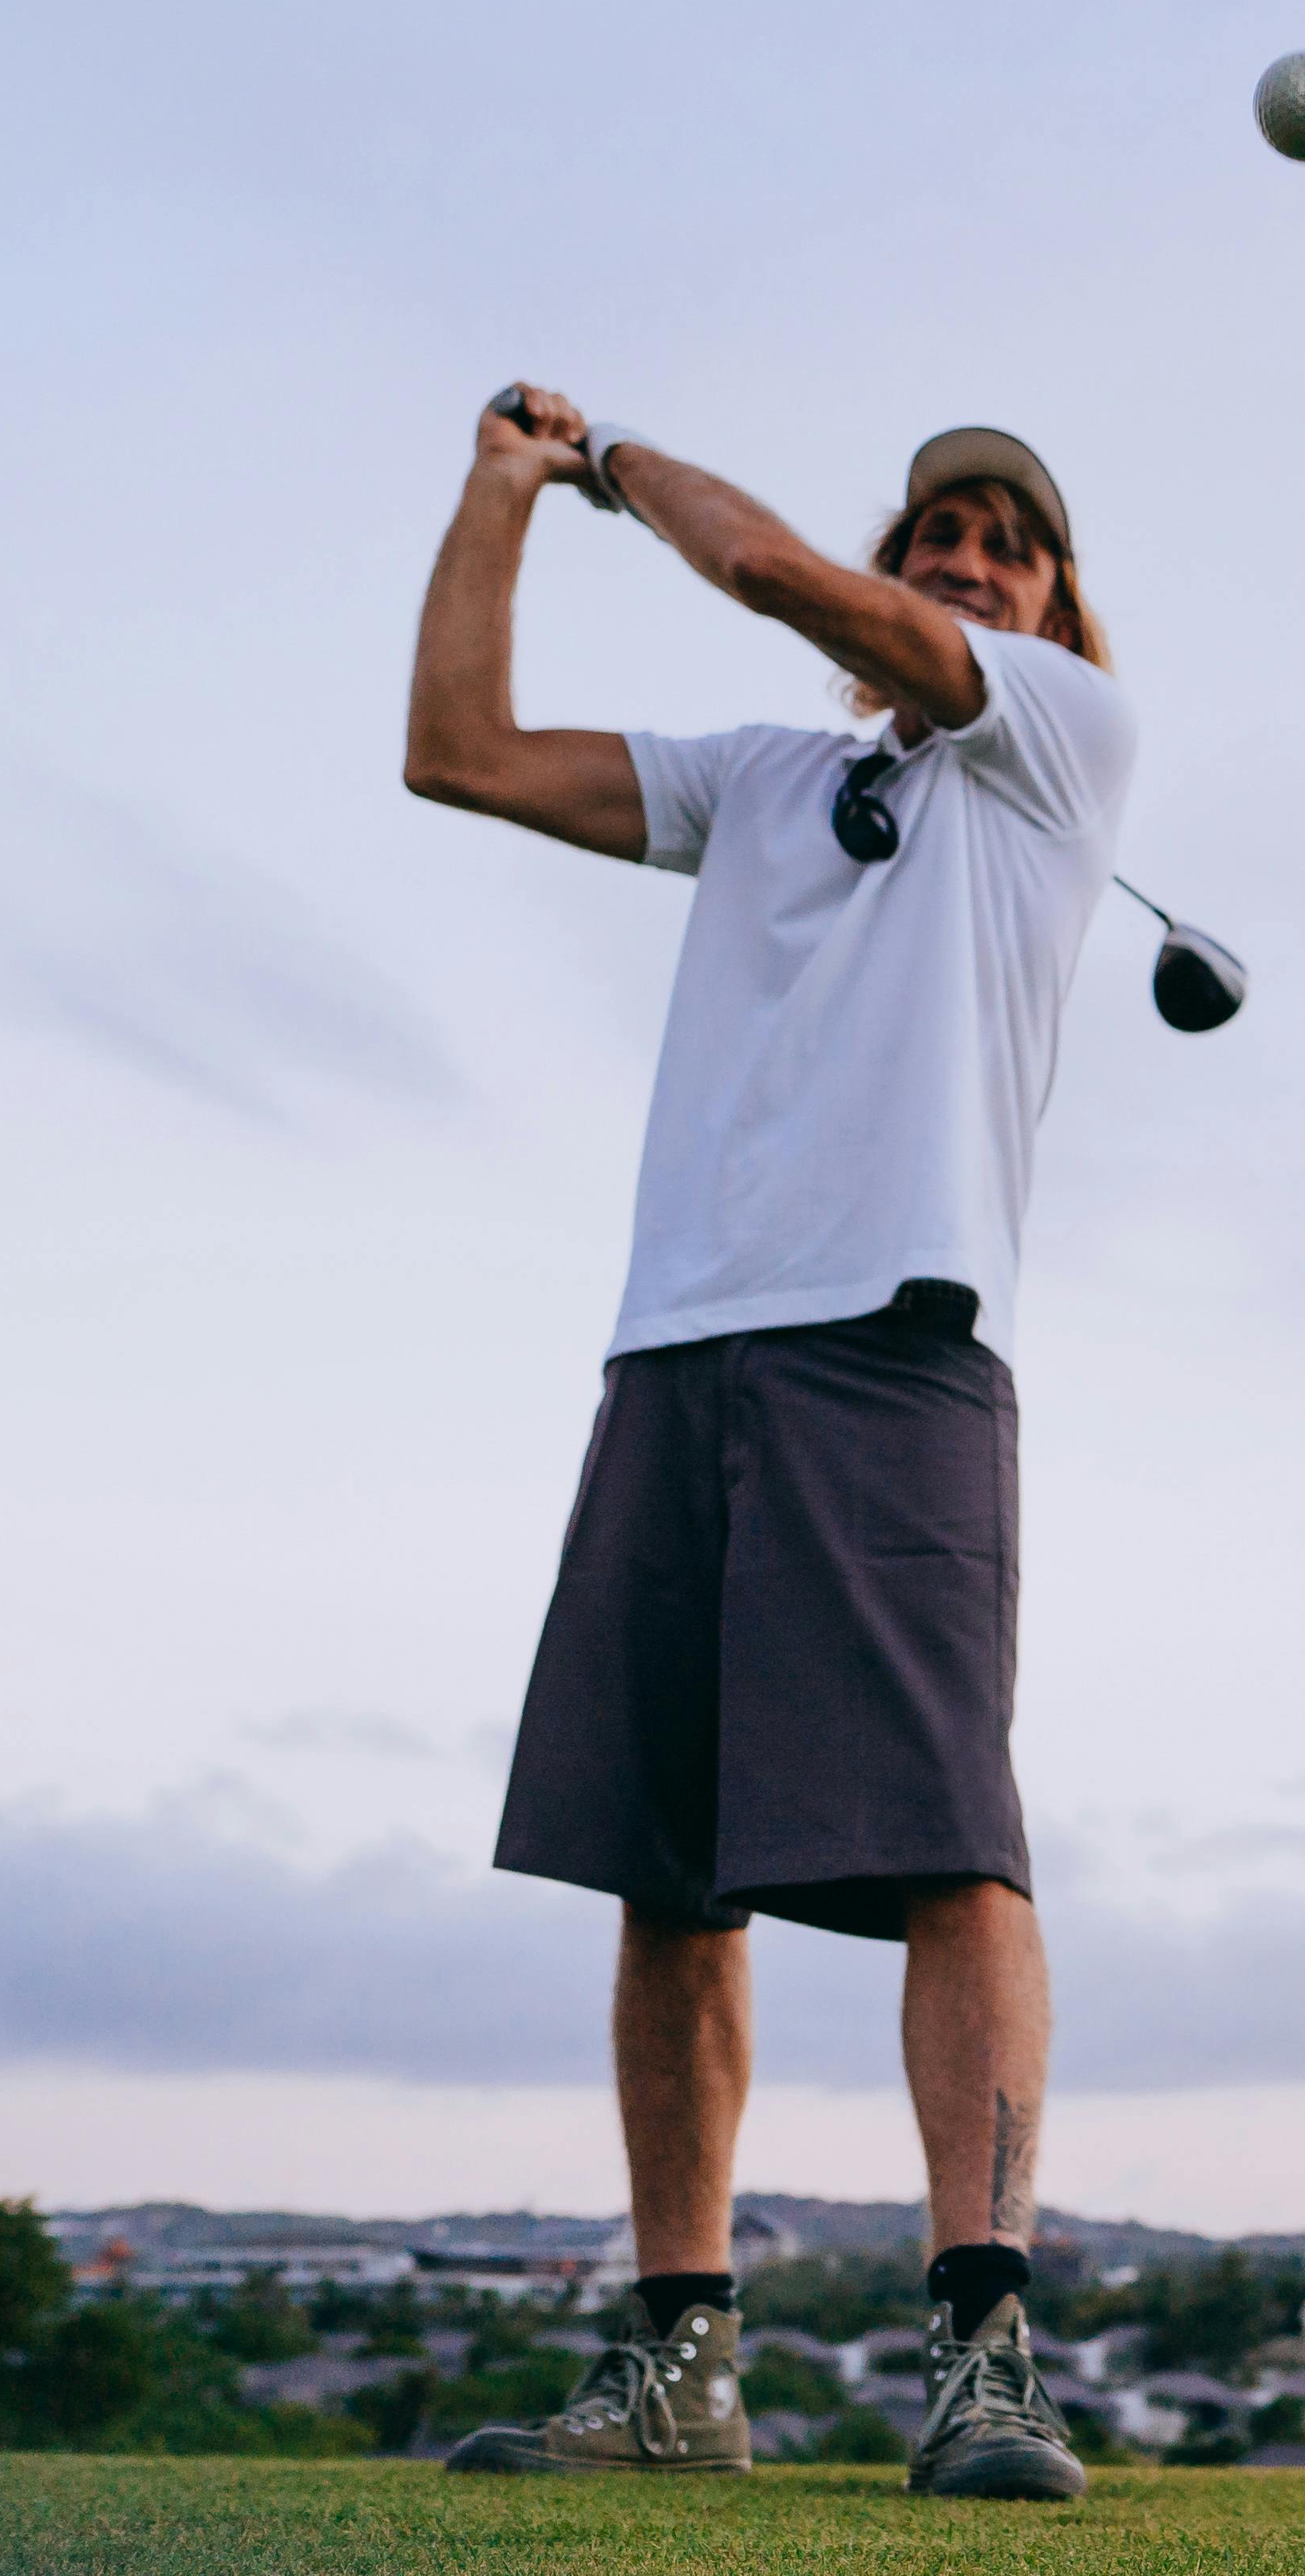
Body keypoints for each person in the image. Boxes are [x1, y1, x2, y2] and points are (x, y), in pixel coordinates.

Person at [398, 383, 1135, 2497]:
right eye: (941, 531)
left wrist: (614, 458)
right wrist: (498, 494)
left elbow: (760, 566)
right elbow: (456, 751)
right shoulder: (766, 781)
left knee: (953, 1852)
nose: (968, 556)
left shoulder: (1060, 747)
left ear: (1056, 608)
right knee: (665, 1876)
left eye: (1011, 537)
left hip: (897, 1355)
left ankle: (985, 2358)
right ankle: (678, 2377)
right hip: (680, 1352)